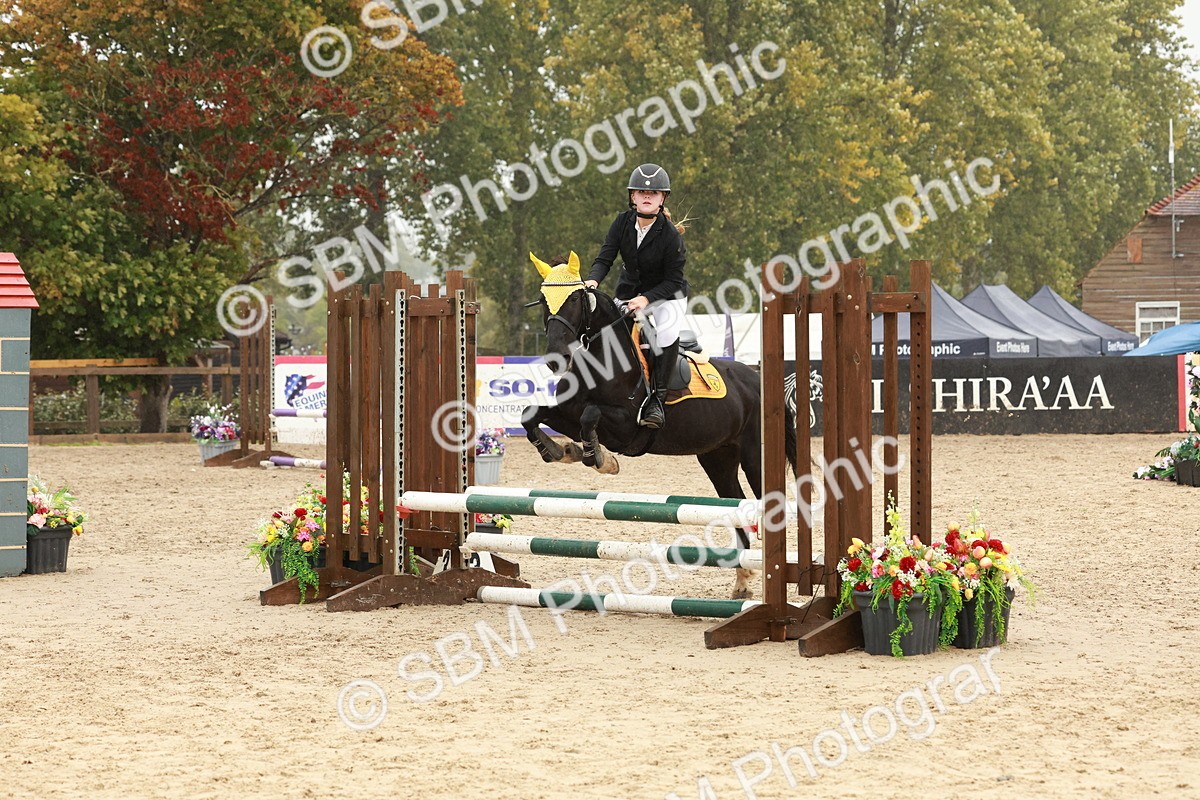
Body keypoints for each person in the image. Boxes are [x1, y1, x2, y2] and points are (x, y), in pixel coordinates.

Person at [584, 163, 688, 429]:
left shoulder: (671, 236)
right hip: (628, 293)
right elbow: (605, 257)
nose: (646, 196)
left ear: (662, 198)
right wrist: (593, 280)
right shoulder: (622, 222)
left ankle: (657, 400)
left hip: (667, 296)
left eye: (653, 193)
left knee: (664, 334)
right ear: (632, 196)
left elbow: (673, 281)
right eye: (641, 191)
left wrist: (647, 298)